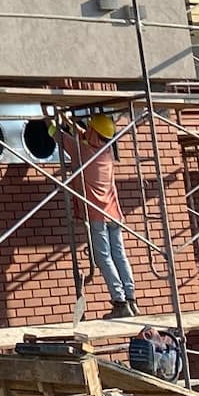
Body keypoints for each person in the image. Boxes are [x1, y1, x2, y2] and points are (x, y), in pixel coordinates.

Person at [57, 112, 137, 320]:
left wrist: (51, 118)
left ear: (94, 132)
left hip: (97, 214)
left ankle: (118, 301)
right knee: (119, 255)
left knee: (103, 257)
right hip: (114, 213)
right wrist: (70, 121)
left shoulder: (82, 150)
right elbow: (84, 134)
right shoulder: (106, 149)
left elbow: (57, 135)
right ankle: (130, 299)